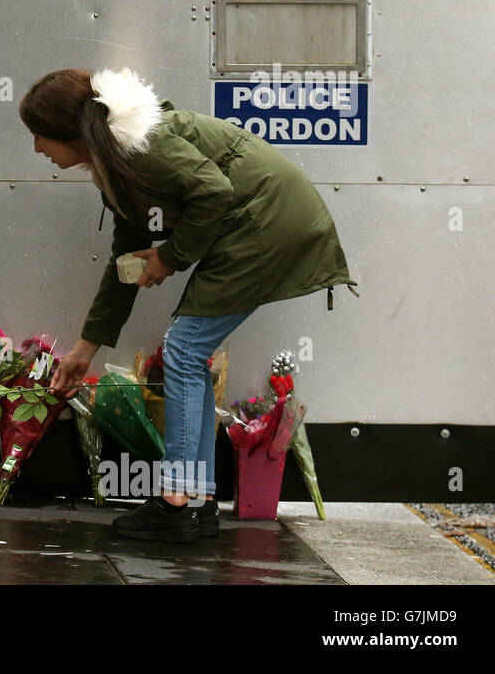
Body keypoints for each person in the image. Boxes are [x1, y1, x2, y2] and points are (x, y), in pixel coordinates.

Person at [22, 67, 357, 543]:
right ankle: (197, 502)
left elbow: (214, 192)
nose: (36, 148)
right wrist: (84, 349)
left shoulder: (145, 144)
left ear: (68, 132)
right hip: (254, 223)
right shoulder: (116, 163)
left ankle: (176, 500)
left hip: (266, 222)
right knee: (188, 354)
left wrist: (171, 257)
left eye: (38, 135)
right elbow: (125, 263)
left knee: (181, 351)